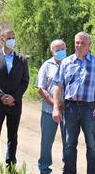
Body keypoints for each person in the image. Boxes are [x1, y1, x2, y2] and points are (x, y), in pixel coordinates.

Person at [52, 32, 95, 174]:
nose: (79, 46)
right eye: (77, 42)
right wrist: (56, 107)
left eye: (83, 43)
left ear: (89, 45)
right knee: (69, 145)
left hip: (90, 108)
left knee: (92, 145)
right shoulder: (66, 62)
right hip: (70, 108)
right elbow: (58, 85)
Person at [0, 29, 30, 171]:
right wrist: (2, 96)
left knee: (12, 136)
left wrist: (13, 97)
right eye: (9, 37)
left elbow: (25, 81)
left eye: (13, 37)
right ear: (1, 40)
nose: (12, 40)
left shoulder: (22, 60)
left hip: (14, 104)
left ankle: (11, 164)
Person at [36, 39, 68, 174]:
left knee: (69, 143)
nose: (61, 52)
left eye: (63, 49)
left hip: (68, 111)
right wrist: (55, 104)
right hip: (49, 111)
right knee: (46, 142)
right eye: (57, 49)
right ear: (52, 51)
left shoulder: (71, 63)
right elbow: (40, 88)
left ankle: (68, 168)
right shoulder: (46, 65)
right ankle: (44, 169)